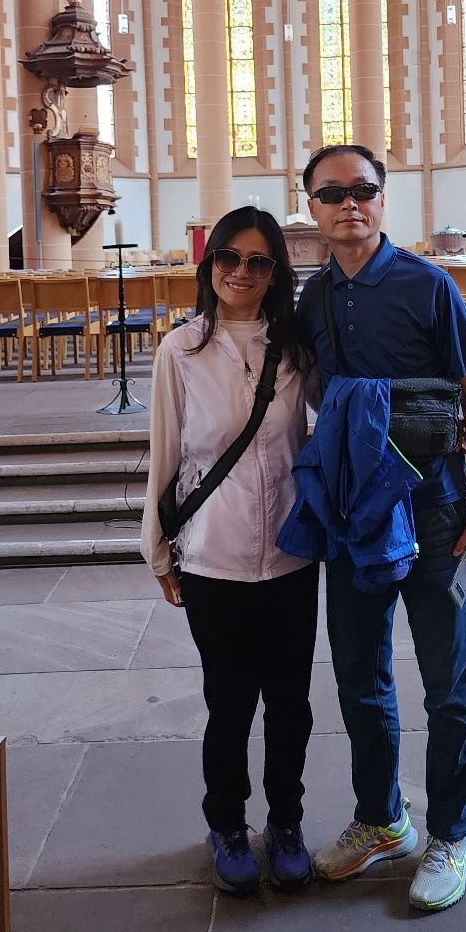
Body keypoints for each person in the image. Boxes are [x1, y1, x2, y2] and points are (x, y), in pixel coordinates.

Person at [294, 144, 466, 913]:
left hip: (435, 506)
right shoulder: (313, 298)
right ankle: (381, 818)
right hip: (354, 510)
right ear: (311, 207)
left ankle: (451, 833)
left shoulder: (427, 284)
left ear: (382, 198)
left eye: (363, 189)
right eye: (332, 192)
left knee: (447, 682)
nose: (349, 203)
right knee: (358, 674)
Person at [141, 206, 318, 896]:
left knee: (291, 703)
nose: (241, 271)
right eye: (229, 257)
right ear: (208, 261)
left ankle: (286, 824)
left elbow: (326, 428)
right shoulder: (180, 350)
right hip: (213, 556)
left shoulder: (295, 348)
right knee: (230, 701)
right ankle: (226, 825)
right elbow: (164, 454)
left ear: (275, 273)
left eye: (258, 261)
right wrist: (158, 550)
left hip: (290, 554)